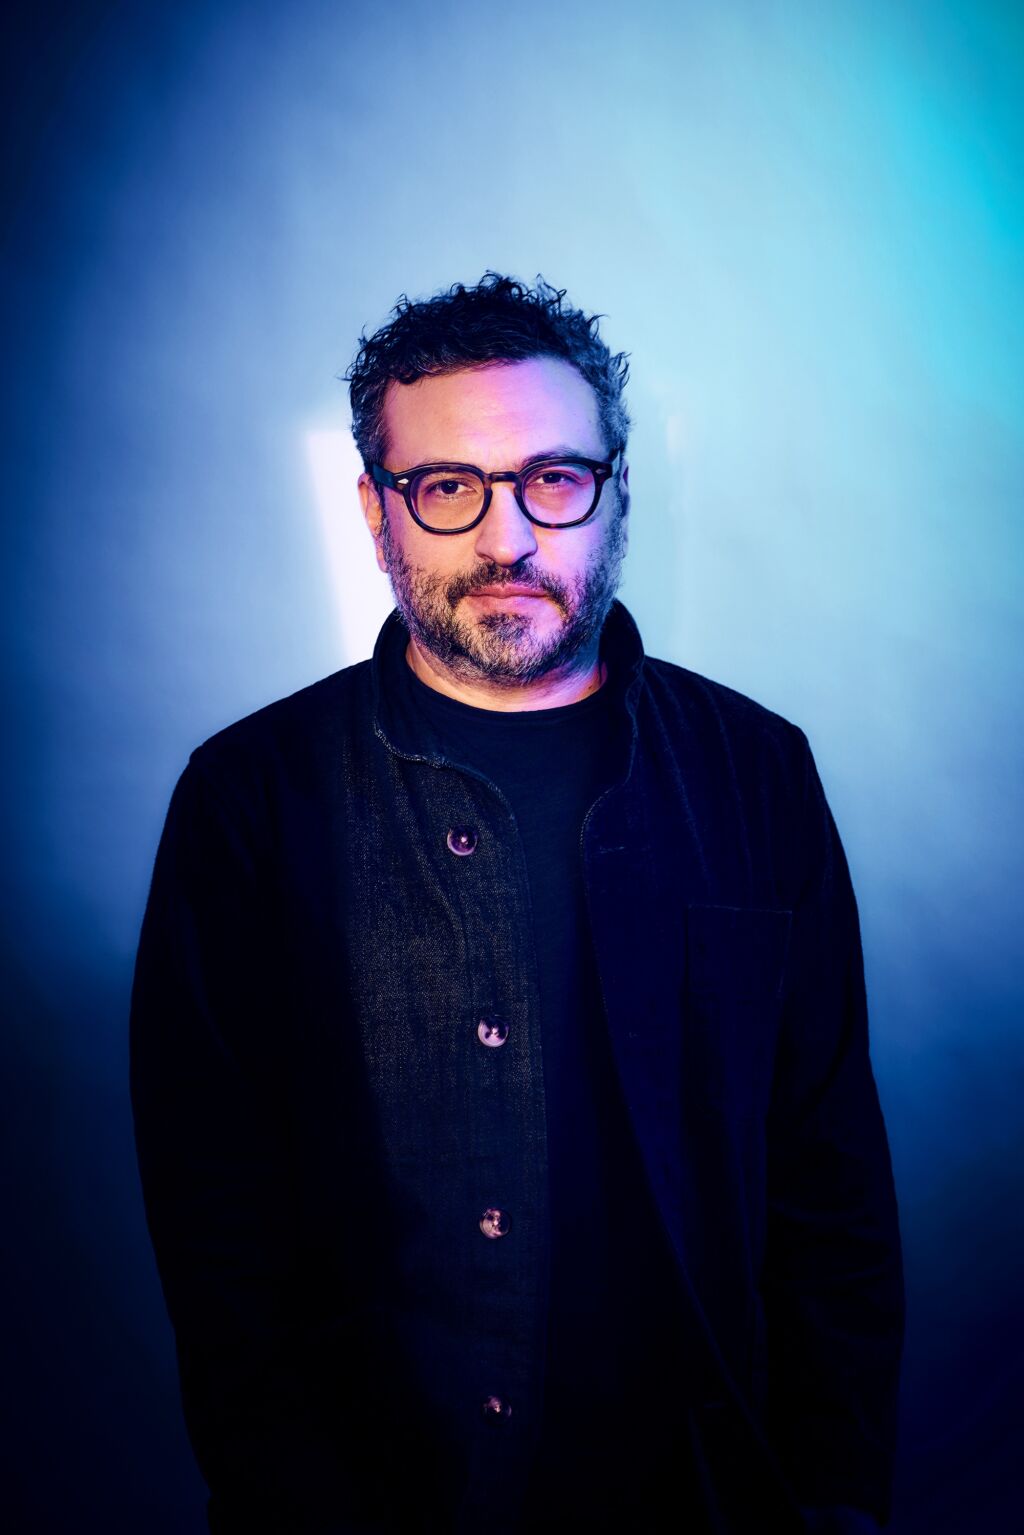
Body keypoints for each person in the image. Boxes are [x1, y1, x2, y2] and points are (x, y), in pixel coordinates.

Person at [129, 272, 905, 1534]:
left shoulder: (757, 772)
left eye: (551, 477)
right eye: (447, 486)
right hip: (377, 1501)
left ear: (616, 490)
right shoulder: (249, 797)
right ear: (376, 509)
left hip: (707, 1499)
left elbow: (831, 1182)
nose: (506, 539)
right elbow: (215, 1223)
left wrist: (836, 1490)